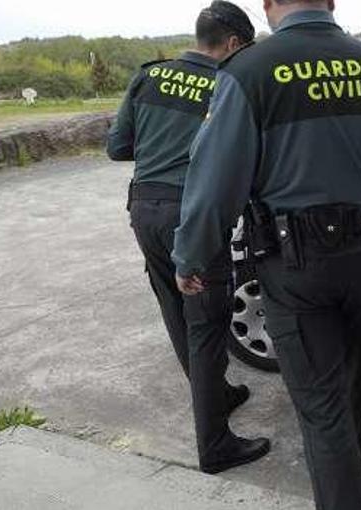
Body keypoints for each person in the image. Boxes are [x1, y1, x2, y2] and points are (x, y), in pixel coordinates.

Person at [171, 0, 361, 510]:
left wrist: (191, 259)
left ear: (269, 5)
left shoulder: (250, 71)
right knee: (356, 374)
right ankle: (349, 479)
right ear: (331, 3)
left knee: (323, 411)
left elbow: (213, 188)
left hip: (298, 266)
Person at [106, 1, 271, 475]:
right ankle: (215, 444)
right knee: (206, 325)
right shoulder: (228, 84)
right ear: (235, 43)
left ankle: (217, 394)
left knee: (176, 315)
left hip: (144, 210)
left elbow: (118, 146)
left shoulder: (149, 76)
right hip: (191, 215)